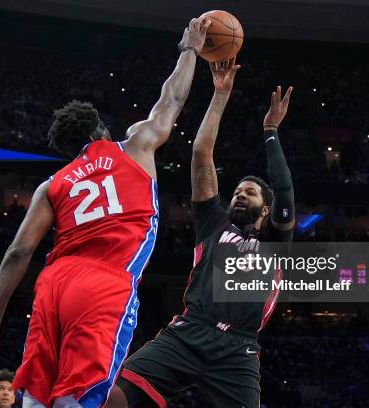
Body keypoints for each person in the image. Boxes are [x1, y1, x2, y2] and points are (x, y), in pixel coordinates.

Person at [0, 16, 211, 408]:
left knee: (38, 394)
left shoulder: (53, 183)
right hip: (104, 283)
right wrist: (189, 51)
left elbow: (17, 254)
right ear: (100, 129)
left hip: (54, 282)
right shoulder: (135, 145)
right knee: (80, 398)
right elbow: (172, 101)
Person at [105, 59, 295, 407]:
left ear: (266, 210)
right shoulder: (214, 223)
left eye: (249, 192)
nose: (240, 193)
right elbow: (201, 154)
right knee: (114, 396)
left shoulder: (275, 244)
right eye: (237, 190)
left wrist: (270, 131)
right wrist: (220, 95)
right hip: (189, 331)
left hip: (238, 348)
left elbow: (284, 190)